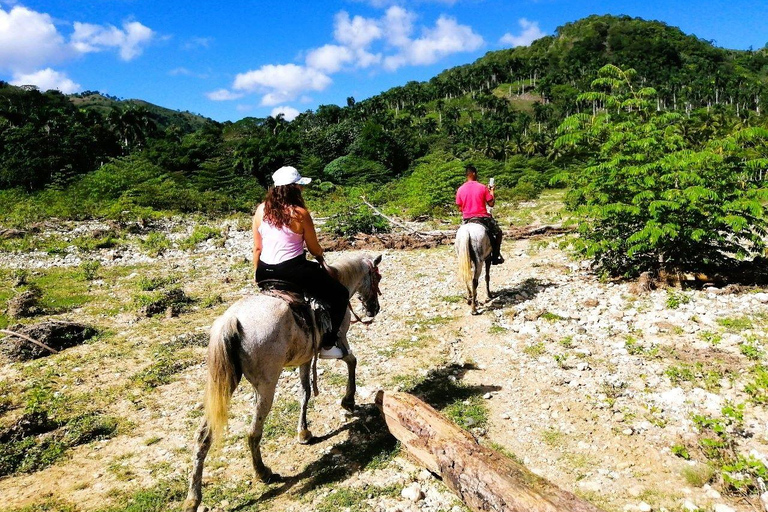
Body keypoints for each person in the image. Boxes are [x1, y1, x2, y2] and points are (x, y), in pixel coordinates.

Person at [253, 165, 348, 359]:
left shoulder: (261, 210)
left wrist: (258, 276)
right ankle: (328, 346)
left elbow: (257, 248)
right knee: (340, 294)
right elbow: (313, 248)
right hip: (292, 270)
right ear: (294, 189)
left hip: (264, 271)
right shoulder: (300, 213)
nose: (302, 190)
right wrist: (321, 256)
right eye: (300, 186)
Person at [455, 164, 504, 264]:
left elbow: (460, 208)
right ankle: (495, 257)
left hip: (467, 219)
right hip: (482, 217)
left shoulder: (460, 189)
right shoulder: (482, 187)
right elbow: (491, 203)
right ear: (473, 173)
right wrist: (492, 191)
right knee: (498, 233)